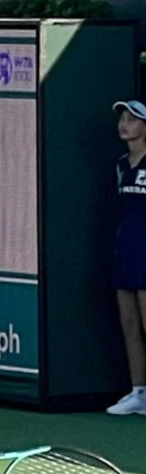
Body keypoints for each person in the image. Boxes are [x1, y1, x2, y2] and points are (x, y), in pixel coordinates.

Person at [106, 100, 146, 414]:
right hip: (126, 250)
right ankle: (138, 393)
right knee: (130, 324)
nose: (124, 123)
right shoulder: (121, 165)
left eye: (132, 119)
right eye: (122, 118)